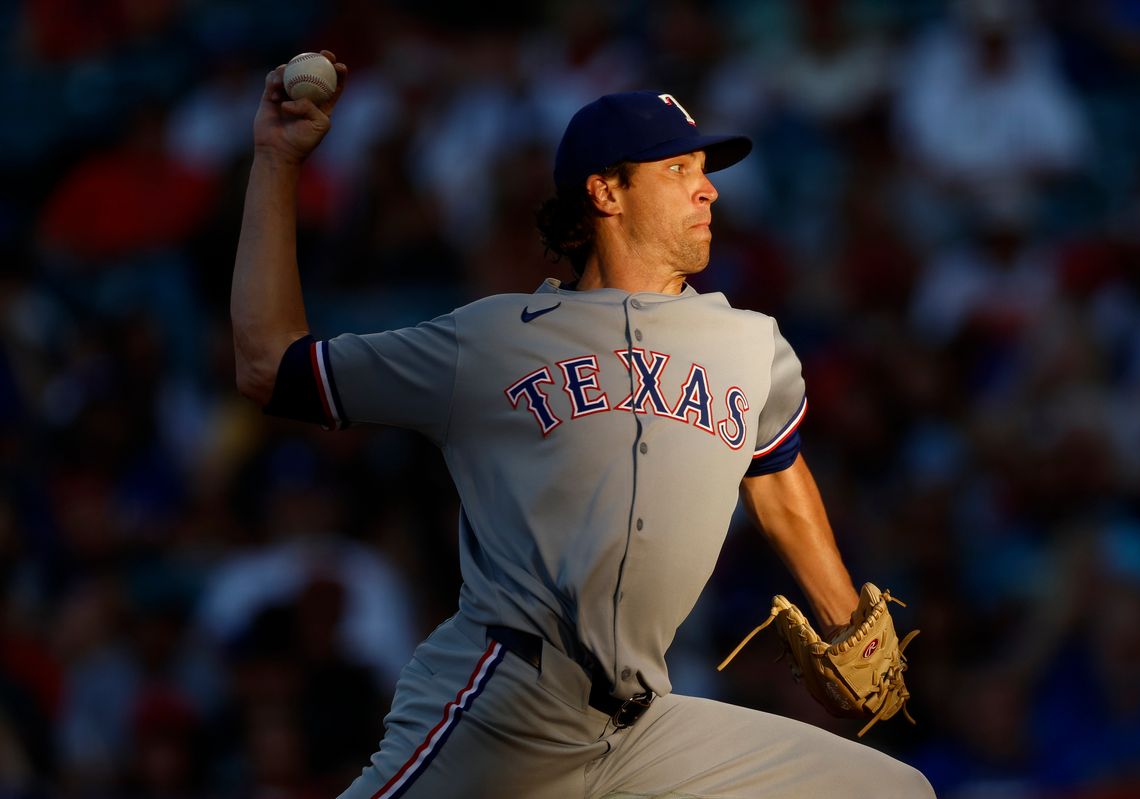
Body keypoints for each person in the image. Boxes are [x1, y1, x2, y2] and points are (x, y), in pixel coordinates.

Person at [231, 50, 934, 799]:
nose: (708, 191)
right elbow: (271, 366)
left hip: (644, 727)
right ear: (606, 191)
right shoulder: (493, 339)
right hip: (508, 703)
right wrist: (276, 160)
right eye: (678, 170)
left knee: (893, 791)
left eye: (706, 170)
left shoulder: (751, 344)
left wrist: (842, 616)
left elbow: (778, 477)